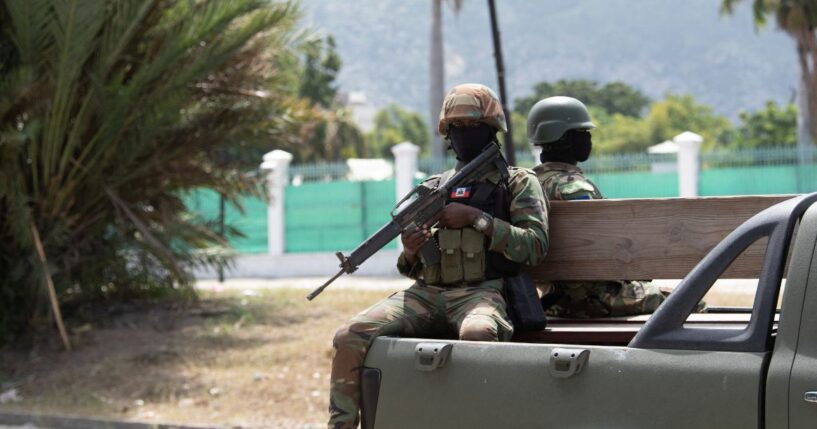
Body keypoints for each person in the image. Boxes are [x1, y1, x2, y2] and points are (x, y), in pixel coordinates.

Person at [327, 83, 549, 429]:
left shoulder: (516, 182)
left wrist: (477, 219)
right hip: (426, 294)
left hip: (481, 292)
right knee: (349, 334)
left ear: (492, 129)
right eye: (456, 127)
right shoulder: (433, 187)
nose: (464, 133)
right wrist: (411, 248)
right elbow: (410, 268)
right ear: (447, 133)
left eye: (472, 126)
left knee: (478, 334)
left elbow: (535, 247)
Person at [527, 96, 666, 318]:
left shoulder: (527, 185)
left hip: (551, 301)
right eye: (582, 133)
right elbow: (603, 249)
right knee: (687, 302)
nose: (588, 138)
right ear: (564, 138)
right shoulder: (574, 188)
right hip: (593, 300)